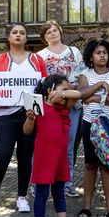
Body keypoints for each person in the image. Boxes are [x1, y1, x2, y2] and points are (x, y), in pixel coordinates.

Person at [0, 24, 48, 212]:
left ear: (26, 38)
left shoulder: (37, 60)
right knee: (2, 155)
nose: (18, 35)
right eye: (15, 32)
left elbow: (45, 84)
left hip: (29, 115)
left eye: (22, 33)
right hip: (5, 115)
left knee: (25, 157)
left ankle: (22, 196)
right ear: (9, 37)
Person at [23, 74, 80, 217]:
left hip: (60, 158)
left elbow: (78, 94)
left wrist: (63, 93)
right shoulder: (38, 106)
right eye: (63, 88)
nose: (67, 92)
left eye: (67, 89)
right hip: (44, 157)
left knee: (59, 193)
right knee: (41, 194)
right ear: (50, 90)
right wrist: (30, 119)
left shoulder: (64, 105)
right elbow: (27, 131)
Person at [76, 39, 109, 217]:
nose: (102, 56)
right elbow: (81, 94)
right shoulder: (85, 74)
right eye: (98, 53)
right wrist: (99, 85)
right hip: (89, 124)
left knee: (107, 166)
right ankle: (86, 207)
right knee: (90, 165)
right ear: (91, 56)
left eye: (105, 52)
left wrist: (94, 98)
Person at [37, 20, 83, 198]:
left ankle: (67, 183)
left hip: (71, 104)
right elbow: (40, 82)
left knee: (69, 145)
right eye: (48, 32)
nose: (52, 33)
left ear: (60, 31)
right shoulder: (40, 55)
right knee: (44, 144)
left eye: (55, 30)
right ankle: (40, 182)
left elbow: (82, 76)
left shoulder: (74, 51)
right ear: (44, 37)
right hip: (50, 107)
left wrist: (72, 94)